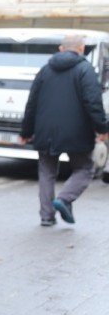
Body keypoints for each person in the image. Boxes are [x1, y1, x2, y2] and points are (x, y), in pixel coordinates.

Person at [20, 34, 109, 226]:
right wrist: (102, 128)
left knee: (46, 172)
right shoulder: (85, 70)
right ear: (82, 48)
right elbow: (93, 103)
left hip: (45, 131)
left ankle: (46, 216)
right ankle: (64, 199)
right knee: (84, 169)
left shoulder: (45, 70)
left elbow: (32, 103)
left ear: (61, 49)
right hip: (77, 131)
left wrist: (25, 132)